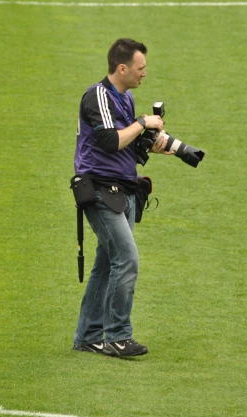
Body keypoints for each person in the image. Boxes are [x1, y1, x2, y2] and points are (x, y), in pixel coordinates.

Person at [71, 38, 172, 357]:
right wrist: (142, 123)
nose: (145, 73)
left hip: (124, 192)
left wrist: (151, 145)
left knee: (106, 265)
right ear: (122, 68)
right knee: (126, 259)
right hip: (100, 192)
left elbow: (125, 149)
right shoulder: (98, 95)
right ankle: (117, 336)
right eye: (141, 68)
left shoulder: (125, 98)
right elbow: (107, 142)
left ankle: (87, 336)